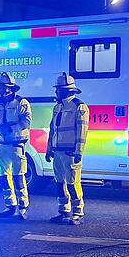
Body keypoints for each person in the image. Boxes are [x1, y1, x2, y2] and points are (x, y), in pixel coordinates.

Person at [45, 73, 89, 225]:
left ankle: (78, 213)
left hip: (71, 152)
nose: (55, 92)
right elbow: (53, 130)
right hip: (58, 151)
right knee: (59, 183)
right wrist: (49, 149)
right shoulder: (57, 107)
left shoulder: (79, 106)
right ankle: (64, 211)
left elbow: (82, 131)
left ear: (65, 90)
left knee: (72, 183)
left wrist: (79, 152)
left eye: (57, 90)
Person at [0, 72, 32, 220]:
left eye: (4, 87)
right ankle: (10, 206)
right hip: (1, 146)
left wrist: (8, 128)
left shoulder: (22, 103)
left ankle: (23, 207)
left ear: (11, 89)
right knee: (4, 179)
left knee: (18, 177)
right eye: (0, 87)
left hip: (16, 146)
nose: (1, 90)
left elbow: (26, 122)